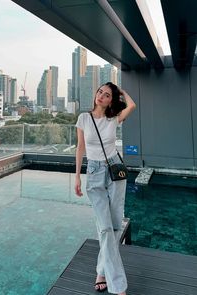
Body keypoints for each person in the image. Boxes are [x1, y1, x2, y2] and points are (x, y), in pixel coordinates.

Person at [74, 82, 136, 295]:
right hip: (94, 173)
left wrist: (121, 92)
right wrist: (77, 177)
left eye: (107, 94)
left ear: (111, 100)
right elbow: (80, 148)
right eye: (100, 91)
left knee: (116, 224)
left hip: (115, 172)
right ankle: (118, 286)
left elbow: (132, 105)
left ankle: (101, 271)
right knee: (105, 228)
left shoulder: (113, 119)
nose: (101, 96)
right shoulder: (83, 118)